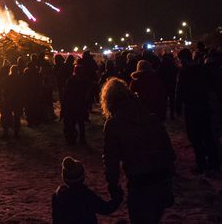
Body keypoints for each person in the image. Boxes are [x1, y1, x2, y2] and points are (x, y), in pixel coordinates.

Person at [101, 78, 175, 223]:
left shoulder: (114, 124)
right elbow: (168, 150)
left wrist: (113, 185)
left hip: (139, 181)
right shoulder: (150, 117)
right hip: (160, 178)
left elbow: (111, 159)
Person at [176, 48, 220, 173]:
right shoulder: (202, 69)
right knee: (207, 135)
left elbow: (179, 92)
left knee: (196, 137)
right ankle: (214, 162)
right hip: (204, 106)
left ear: (183, 59)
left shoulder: (184, 72)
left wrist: (178, 107)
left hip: (191, 108)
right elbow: (212, 86)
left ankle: (202, 164)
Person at [52, 156, 123, 223]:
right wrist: (118, 197)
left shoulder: (57, 196)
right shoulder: (86, 195)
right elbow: (106, 208)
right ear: (83, 177)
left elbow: (55, 219)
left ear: (64, 178)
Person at [61, 64, 89, 145]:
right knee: (81, 123)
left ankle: (73, 138)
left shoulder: (71, 80)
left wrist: (65, 103)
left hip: (72, 104)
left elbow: (66, 93)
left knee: (73, 122)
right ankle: (81, 139)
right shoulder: (83, 81)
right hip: (80, 103)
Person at [0, 64, 24, 138]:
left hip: (8, 100)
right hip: (17, 100)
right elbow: (22, 90)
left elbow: (2, 89)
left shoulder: (7, 78)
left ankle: (6, 132)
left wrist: (4, 97)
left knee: (7, 116)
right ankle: (16, 133)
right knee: (16, 117)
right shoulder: (20, 79)